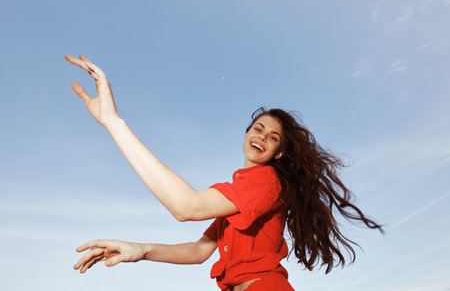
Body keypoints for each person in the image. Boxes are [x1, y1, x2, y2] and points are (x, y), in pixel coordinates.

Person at [66, 54, 383, 291]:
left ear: (280, 152)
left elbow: (187, 207)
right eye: (258, 129)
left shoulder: (267, 182)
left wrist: (113, 122)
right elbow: (200, 251)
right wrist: (141, 250)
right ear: (246, 134)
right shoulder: (236, 195)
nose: (262, 137)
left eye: (273, 138)